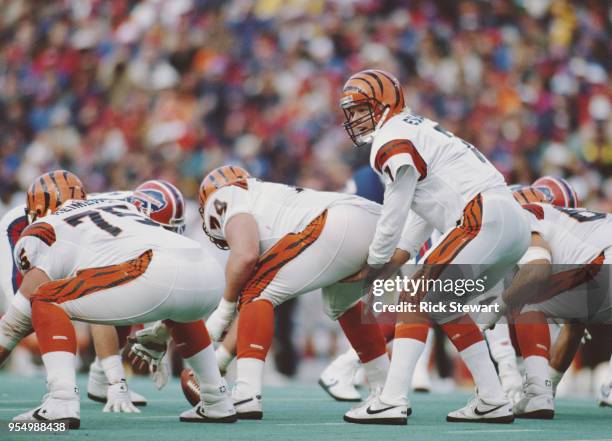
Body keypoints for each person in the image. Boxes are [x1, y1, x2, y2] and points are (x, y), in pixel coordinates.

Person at [338, 69, 530, 424]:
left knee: (413, 295)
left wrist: (377, 261)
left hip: (482, 215)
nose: (354, 119)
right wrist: (398, 256)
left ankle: (391, 398)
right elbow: (425, 209)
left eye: (360, 109)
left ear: (384, 105)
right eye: (350, 112)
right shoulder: (416, 127)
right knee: (443, 304)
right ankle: (492, 398)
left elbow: (395, 208)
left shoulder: (390, 137)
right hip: (508, 223)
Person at [5, 170, 235, 428]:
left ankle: (61, 400)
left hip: (153, 270)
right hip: (206, 269)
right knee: (176, 305)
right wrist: (160, 331)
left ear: (35, 209)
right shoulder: (120, 201)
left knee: (45, 298)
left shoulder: (44, 227)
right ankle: (216, 398)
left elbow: (16, 319)